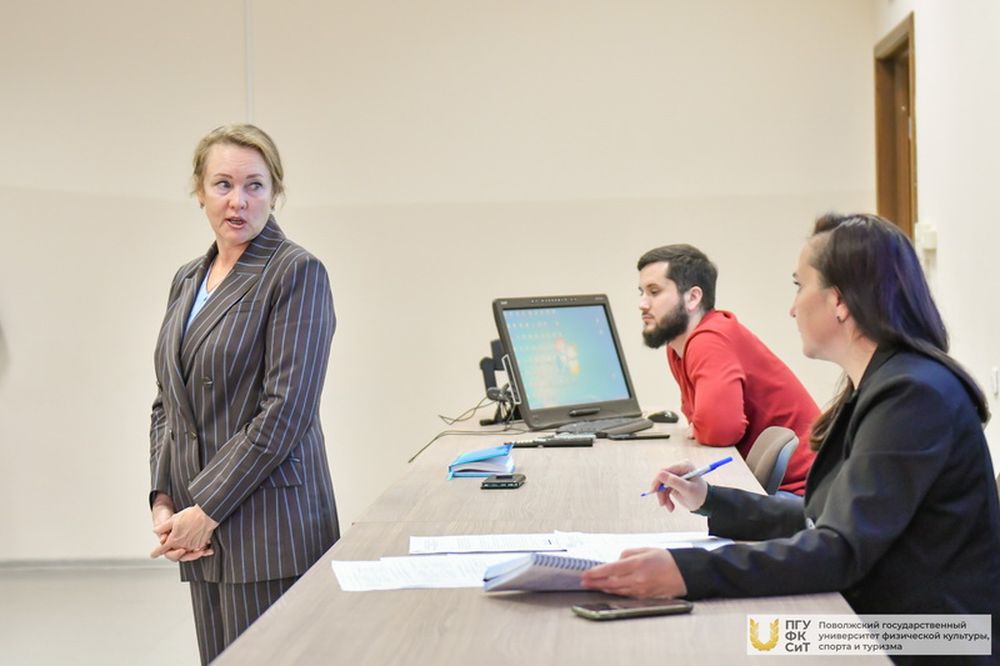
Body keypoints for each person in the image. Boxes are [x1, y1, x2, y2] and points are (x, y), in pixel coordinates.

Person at [585, 214, 1000, 663]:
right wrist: (712, 500)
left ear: (839, 301)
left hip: (937, 638)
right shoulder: (885, 383)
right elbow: (826, 521)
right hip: (898, 618)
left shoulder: (911, 395)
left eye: (799, 286)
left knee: (738, 640)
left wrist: (687, 572)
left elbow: (839, 548)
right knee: (731, 634)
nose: (792, 307)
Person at [147, 124, 339, 664]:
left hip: (269, 529)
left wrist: (205, 508)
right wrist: (164, 499)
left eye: (255, 185)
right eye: (223, 184)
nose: (239, 201)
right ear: (199, 191)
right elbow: (167, 400)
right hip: (198, 528)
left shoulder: (295, 272)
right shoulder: (188, 279)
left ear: (275, 192)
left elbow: (286, 411)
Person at [636, 244, 817, 495]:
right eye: (641, 292)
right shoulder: (679, 348)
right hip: (773, 486)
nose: (642, 304)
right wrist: (702, 426)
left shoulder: (709, 340)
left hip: (804, 492)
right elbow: (699, 423)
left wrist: (703, 426)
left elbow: (719, 430)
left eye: (654, 292)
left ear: (693, 297)